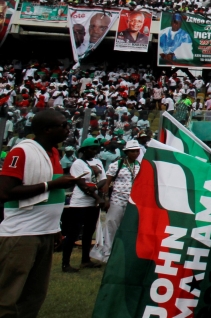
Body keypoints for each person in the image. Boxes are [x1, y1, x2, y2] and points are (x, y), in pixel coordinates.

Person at [0, 109, 84, 318]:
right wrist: (51, 184)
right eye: (63, 125)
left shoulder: (54, 153)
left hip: (45, 232)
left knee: (35, 293)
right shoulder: (22, 152)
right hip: (22, 234)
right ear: (47, 129)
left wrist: (55, 228)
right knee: (8, 292)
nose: (68, 129)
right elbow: (5, 192)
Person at [61, 136, 107, 272]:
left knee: (89, 231)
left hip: (92, 203)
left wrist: (95, 187)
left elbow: (103, 179)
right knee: (73, 232)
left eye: (96, 149)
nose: (95, 152)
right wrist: (96, 196)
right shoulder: (77, 164)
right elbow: (81, 184)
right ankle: (65, 263)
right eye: (92, 149)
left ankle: (85, 260)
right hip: (80, 203)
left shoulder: (98, 162)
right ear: (85, 150)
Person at [93, 139, 141, 263]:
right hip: (117, 199)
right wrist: (106, 199)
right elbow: (106, 184)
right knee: (111, 225)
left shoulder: (140, 166)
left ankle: (123, 253)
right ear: (126, 152)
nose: (135, 153)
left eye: (137, 151)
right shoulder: (117, 165)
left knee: (129, 227)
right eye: (132, 151)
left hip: (132, 201)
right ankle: (107, 253)